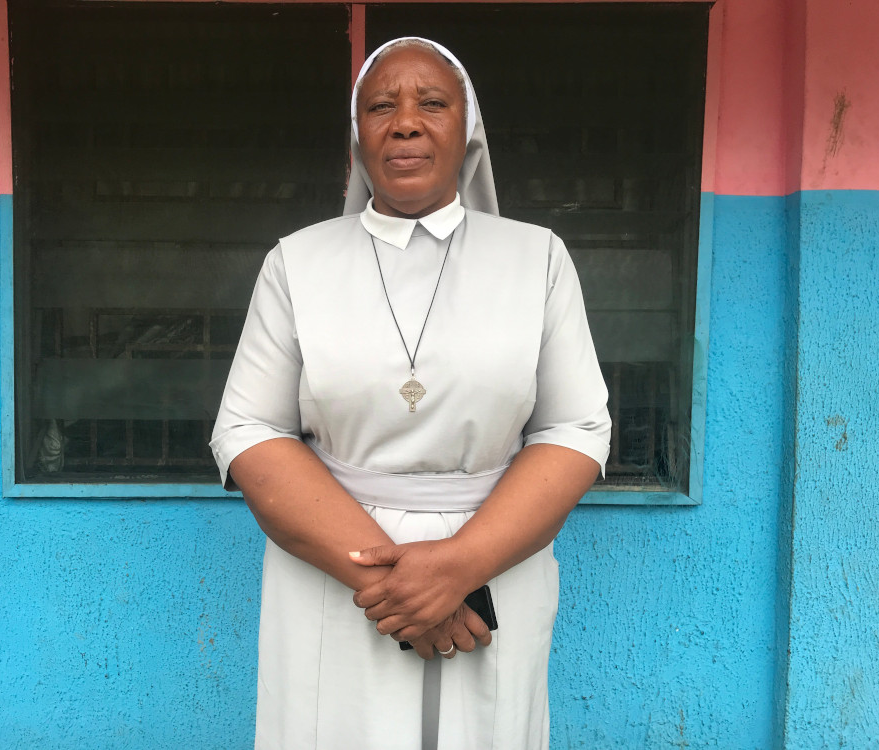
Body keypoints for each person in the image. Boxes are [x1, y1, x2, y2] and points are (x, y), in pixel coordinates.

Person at [211, 37, 611, 750]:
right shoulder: (295, 263)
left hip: (495, 566)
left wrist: (461, 565)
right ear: (358, 134)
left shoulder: (537, 257)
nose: (404, 122)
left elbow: (576, 429)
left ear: (467, 128)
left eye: (431, 102)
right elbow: (249, 430)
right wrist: (400, 584)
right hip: (336, 571)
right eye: (380, 106)